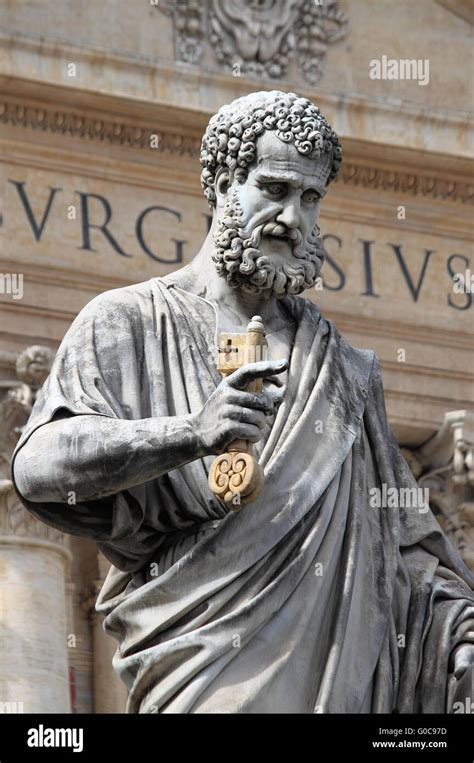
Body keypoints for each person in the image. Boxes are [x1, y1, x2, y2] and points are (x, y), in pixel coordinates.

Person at [12, 91, 474, 713]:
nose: (294, 217)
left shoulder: (342, 369)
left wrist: (455, 630)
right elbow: (38, 467)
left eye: (311, 199)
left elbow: (406, 547)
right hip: (202, 676)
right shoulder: (127, 321)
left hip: (343, 682)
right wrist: (190, 433)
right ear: (223, 184)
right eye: (275, 189)